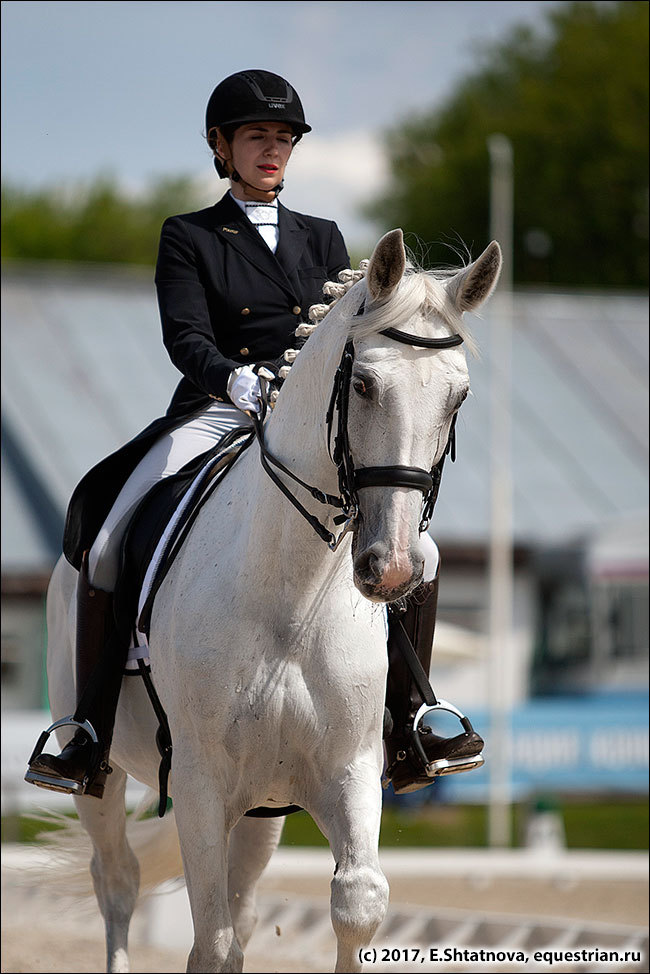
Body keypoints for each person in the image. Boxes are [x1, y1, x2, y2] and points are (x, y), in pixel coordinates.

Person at [25, 69, 483, 801]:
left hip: (306, 425)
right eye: (255, 137)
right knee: (109, 536)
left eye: (282, 138)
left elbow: (348, 343)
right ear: (222, 146)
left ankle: (413, 715)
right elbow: (185, 335)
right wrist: (232, 380)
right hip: (216, 407)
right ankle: (87, 729)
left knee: (415, 548)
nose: (272, 150)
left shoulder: (325, 238)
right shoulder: (191, 236)